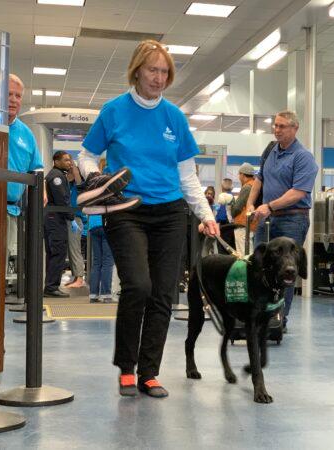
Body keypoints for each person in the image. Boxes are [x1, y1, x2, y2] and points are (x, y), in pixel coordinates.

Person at [77, 39, 218, 398]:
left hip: (170, 212)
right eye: (152, 70)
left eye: (164, 71)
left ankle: (149, 372)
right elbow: (87, 155)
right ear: (137, 70)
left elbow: (188, 175)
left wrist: (205, 214)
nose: (158, 78)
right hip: (126, 211)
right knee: (138, 285)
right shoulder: (114, 111)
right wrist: (95, 178)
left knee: (163, 294)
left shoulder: (174, 117)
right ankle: (127, 366)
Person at [246, 110, 318, 332]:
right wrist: (250, 204)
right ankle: (259, 316)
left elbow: (298, 192)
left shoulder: (303, 157)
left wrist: (270, 206)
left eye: (282, 126)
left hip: (292, 219)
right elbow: (260, 180)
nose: (277, 130)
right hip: (267, 219)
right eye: (275, 125)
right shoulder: (270, 151)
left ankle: (278, 322)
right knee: (258, 267)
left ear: (295, 128)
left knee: (285, 271)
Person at [0, 74, 44, 275]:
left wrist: (41, 191)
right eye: (9, 94)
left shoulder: (26, 133)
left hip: (10, 211)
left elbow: (37, 167)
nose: (14, 100)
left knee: (1, 264)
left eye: (18, 96)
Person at [44, 151, 77, 298]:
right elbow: (62, 200)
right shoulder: (56, 177)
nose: (69, 162)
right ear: (56, 161)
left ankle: (51, 286)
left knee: (54, 253)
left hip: (53, 219)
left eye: (70, 160)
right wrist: (71, 217)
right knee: (57, 252)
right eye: (65, 160)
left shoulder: (57, 175)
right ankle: (51, 288)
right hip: (55, 219)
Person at [65, 157, 86, 288]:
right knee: (70, 250)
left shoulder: (80, 185)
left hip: (76, 220)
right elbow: (67, 179)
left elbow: (77, 178)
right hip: (68, 219)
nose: (70, 172)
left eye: (72, 170)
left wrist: (73, 165)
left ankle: (79, 278)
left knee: (75, 250)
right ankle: (75, 277)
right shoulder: (69, 185)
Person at [88, 213, 115, 303]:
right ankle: (106, 295)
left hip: (93, 225)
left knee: (97, 262)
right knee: (107, 261)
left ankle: (93, 295)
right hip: (107, 223)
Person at [231, 162, 256, 255]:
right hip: (251, 225)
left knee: (243, 255)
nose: (239, 176)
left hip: (243, 225)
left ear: (242, 174)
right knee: (249, 252)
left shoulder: (247, 187)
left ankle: (245, 270)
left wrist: (231, 205)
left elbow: (237, 208)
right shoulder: (255, 185)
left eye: (239, 174)